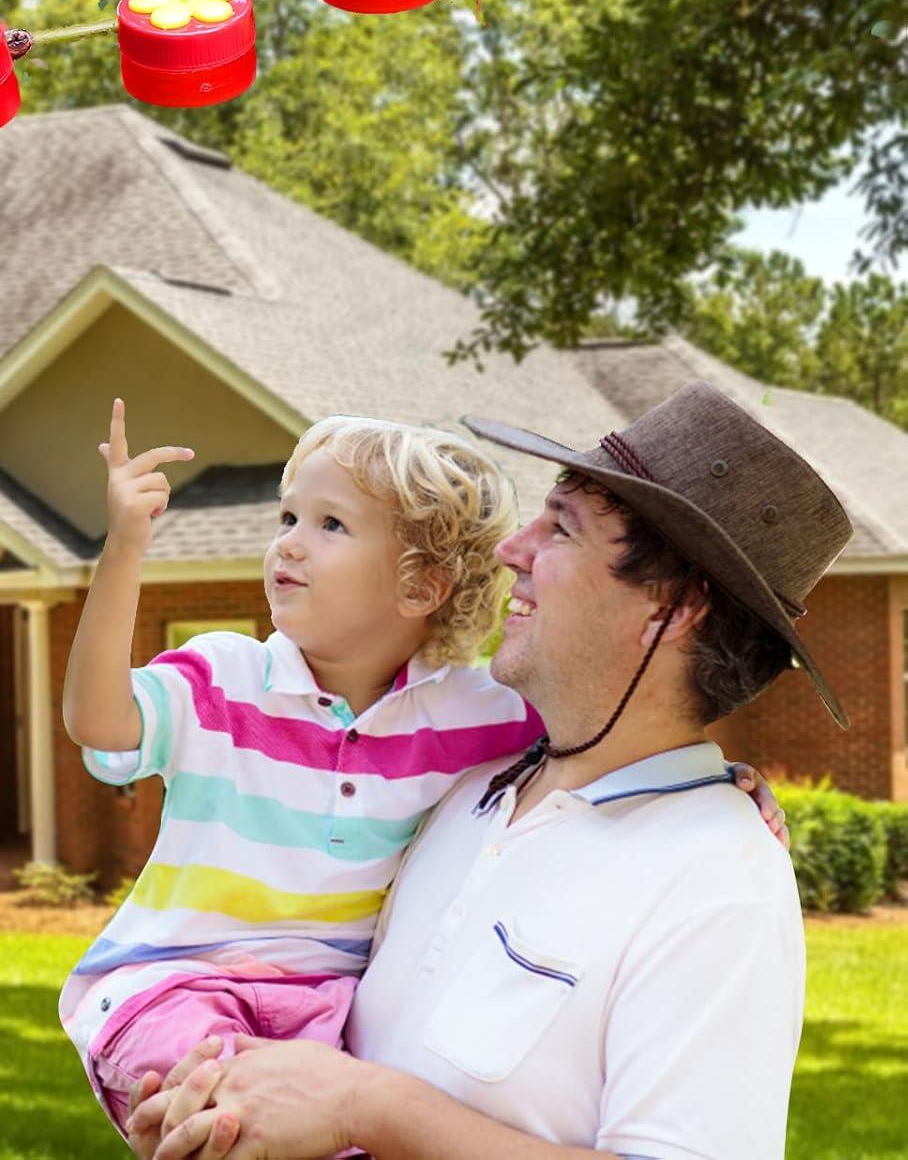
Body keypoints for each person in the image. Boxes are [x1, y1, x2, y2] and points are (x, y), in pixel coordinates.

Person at [128, 381, 843, 1160]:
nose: (510, 550)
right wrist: (218, 1113)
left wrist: (368, 1108)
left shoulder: (719, 879)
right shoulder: (463, 790)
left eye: (560, 530)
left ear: (675, 607)